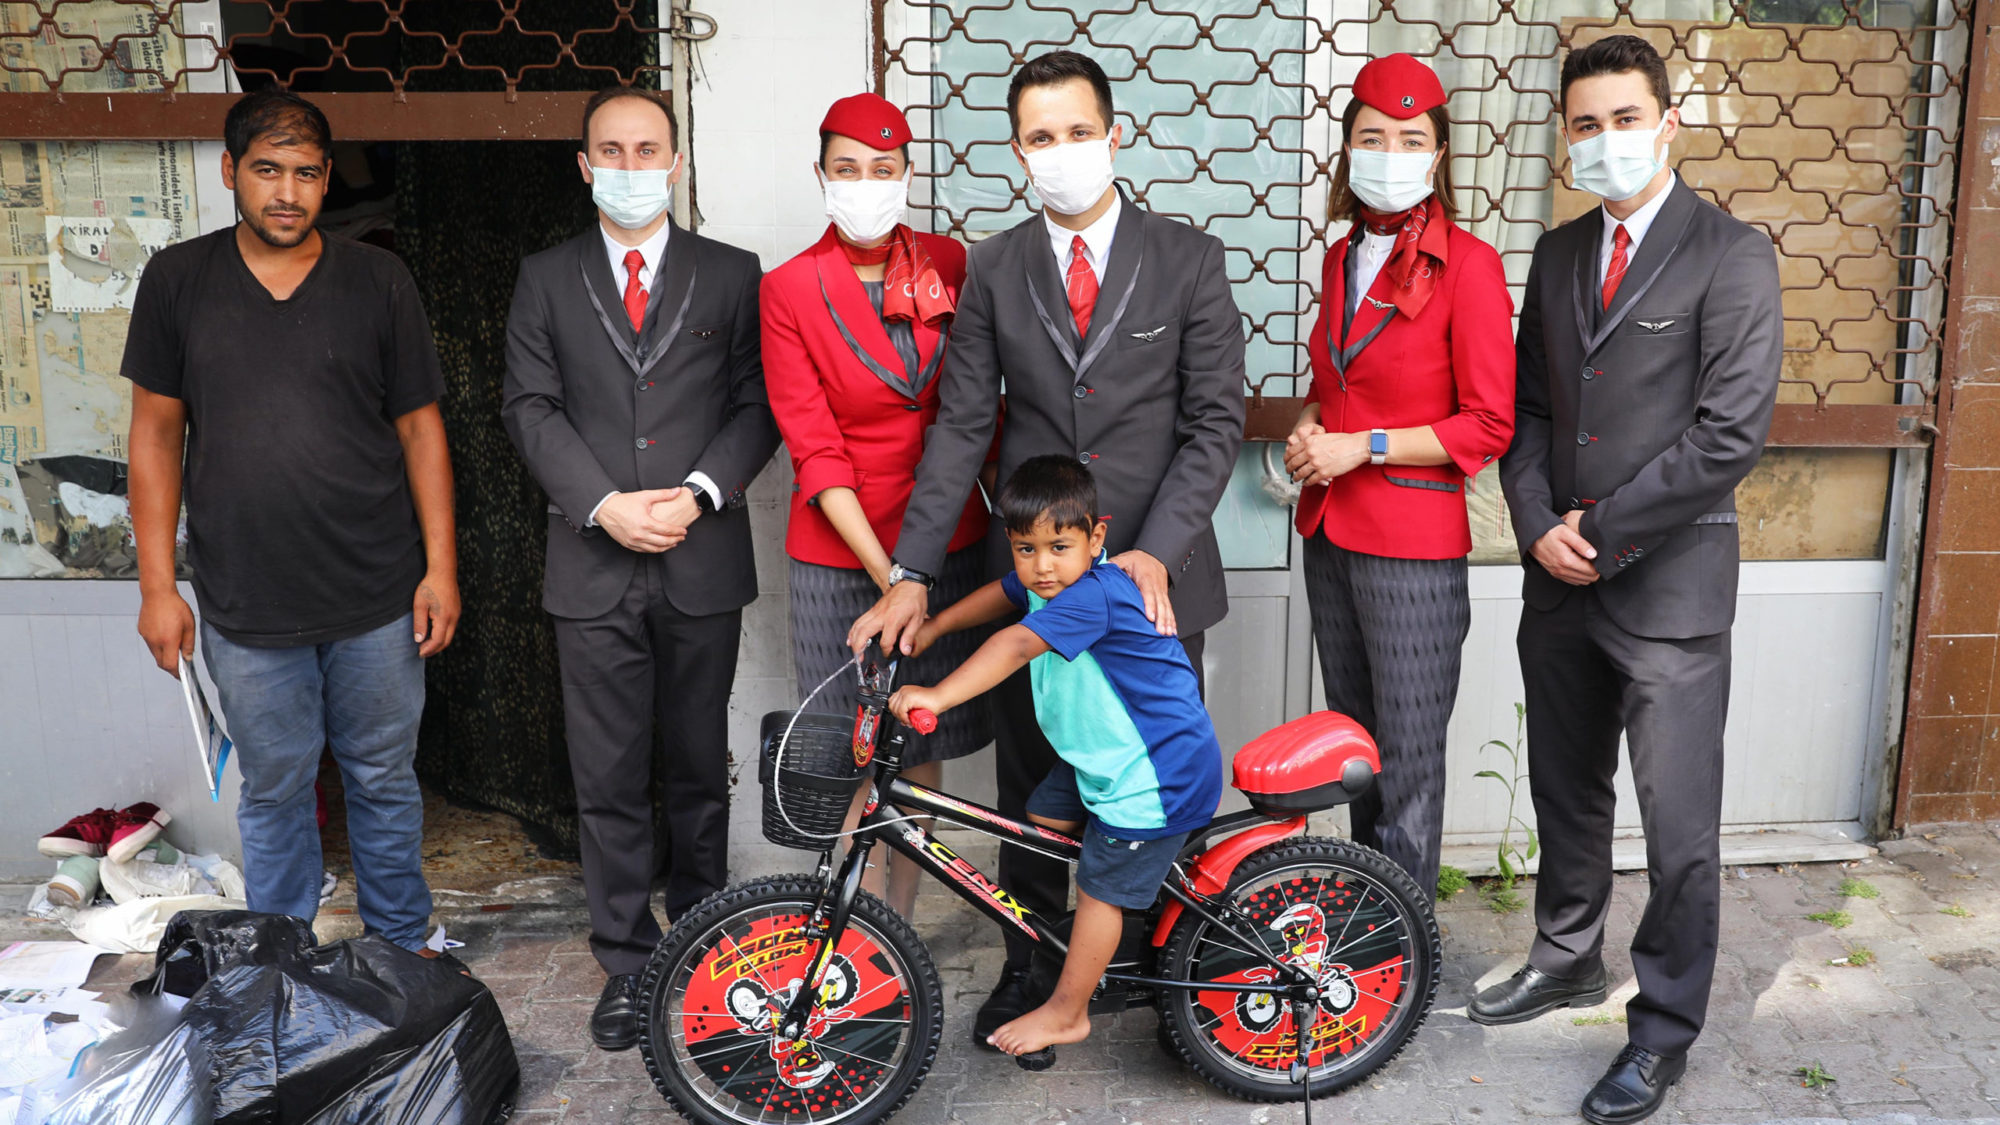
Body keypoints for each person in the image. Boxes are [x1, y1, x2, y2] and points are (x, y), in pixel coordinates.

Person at [849, 49, 1246, 1046]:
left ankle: (1162, 968)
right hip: (1036, 577)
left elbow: (1213, 423)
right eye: (1040, 137)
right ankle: (1027, 961)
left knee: (1145, 783)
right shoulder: (995, 267)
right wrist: (910, 572)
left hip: (1153, 587)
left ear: (1114, 135)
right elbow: (959, 426)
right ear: (1019, 151)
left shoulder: (1189, 258)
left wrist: (1153, 550)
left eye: (1078, 131)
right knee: (1034, 793)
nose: (1061, 150)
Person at [1485, 34, 1781, 1125]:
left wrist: (1598, 531)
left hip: (1668, 589)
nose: (1605, 138)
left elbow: (1727, 434)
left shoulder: (1731, 254)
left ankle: (1661, 1033)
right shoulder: (1560, 253)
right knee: (1565, 790)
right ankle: (1565, 955)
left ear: (1667, 123)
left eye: (1624, 118)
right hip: (1559, 581)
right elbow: (1530, 411)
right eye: (1585, 124)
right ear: (1564, 138)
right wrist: (1533, 526)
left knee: (1677, 829)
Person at [123, 90, 458, 957]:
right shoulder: (178, 280)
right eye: (267, 170)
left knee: (383, 778)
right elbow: (155, 436)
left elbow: (420, 430)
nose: (286, 192)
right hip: (246, 600)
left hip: (377, 591)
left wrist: (440, 568)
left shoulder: (378, 280)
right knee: (274, 789)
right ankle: (280, 961)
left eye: (306, 173)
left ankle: (400, 950)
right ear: (230, 171)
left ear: (327, 180)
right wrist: (158, 587)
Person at [501, 85, 778, 1052]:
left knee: (699, 766)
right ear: (585, 167)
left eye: (647, 149)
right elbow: (528, 406)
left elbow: (758, 404)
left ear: (675, 161)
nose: (630, 166)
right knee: (608, 775)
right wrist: (604, 504)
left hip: (701, 553)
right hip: (591, 560)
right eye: (611, 151)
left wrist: (697, 493)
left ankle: (700, 944)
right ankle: (626, 962)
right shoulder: (545, 276)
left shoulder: (731, 273)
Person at [886, 455, 1222, 1057]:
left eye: (1059, 547)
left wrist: (936, 695)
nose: (1041, 566)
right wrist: (936, 627)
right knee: (1042, 822)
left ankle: (1069, 1011)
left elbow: (1016, 644)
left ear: (1096, 538)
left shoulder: (1096, 594)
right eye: (1026, 549)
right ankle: (1128, 909)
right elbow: (1002, 594)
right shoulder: (1052, 580)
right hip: (1103, 757)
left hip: (1153, 772)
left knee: (1099, 889)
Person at [1282, 54, 1514, 901]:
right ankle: (1365, 914)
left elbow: (1488, 424)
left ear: (1439, 154)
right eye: (1374, 137)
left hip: (1413, 545)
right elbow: (1341, 381)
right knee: (1356, 748)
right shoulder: (1341, 257)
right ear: (1348, 149)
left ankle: (1404, 939)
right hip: (1330, 532)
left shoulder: (1471, 266)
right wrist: (1313, 424)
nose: (1391, 153)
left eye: (1411, 140)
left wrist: (1364, 447)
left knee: (1409, 759)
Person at [761, 93, 992, 917]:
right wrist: (894, 577)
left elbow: (975, 406)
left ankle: (902, 917)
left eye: (882, 169)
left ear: (908, 174)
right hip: (840, 550)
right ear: (821, 174)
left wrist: (919, 569)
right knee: (848, 741)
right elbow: (813, 447)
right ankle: (849, 922)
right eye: (848, 169)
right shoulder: (789, 288)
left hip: (947, 535)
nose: (866, 184)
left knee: (921, 733)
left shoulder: (952, 264)